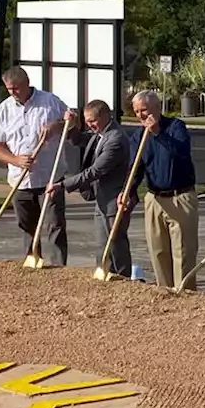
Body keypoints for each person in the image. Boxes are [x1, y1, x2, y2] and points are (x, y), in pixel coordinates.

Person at [0, 66, 70, 266]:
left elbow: (73, 122)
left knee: (54, 224)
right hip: (20, 178)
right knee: (26, 225)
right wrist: (16, 160)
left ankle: (58, 267)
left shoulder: (49, 101)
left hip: (50, 177)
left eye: (16, 88)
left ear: (27, 83)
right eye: (9, 89)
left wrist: (57, 126)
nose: (12, 92)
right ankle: (32, 261)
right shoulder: (4, 109)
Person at [46, 100, 133, 277]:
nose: (89, 125)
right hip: (102, 199)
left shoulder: (115, 139)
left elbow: (95, 171)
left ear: (105, 116)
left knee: (115, 245)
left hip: (114, 200)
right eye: (86, 120)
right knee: (102, 245)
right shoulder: (101, 134)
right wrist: (70, 126)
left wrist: (62, 185)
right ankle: (104, 276)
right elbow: (80, 140)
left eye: (92, 120)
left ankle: (122, 279)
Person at [127, 89, 199, 290]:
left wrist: (158, 132)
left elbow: (182, 151)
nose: (141, 115)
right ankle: (165, 292)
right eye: (137, 111)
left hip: (181, 197)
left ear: (157, 107)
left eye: (144, 110)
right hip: (154, 198)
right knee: (158, 252)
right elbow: (135, 169)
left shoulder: (176, 126)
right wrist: (127, 192)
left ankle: (185, 295)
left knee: (183, 253)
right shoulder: (138, 137)